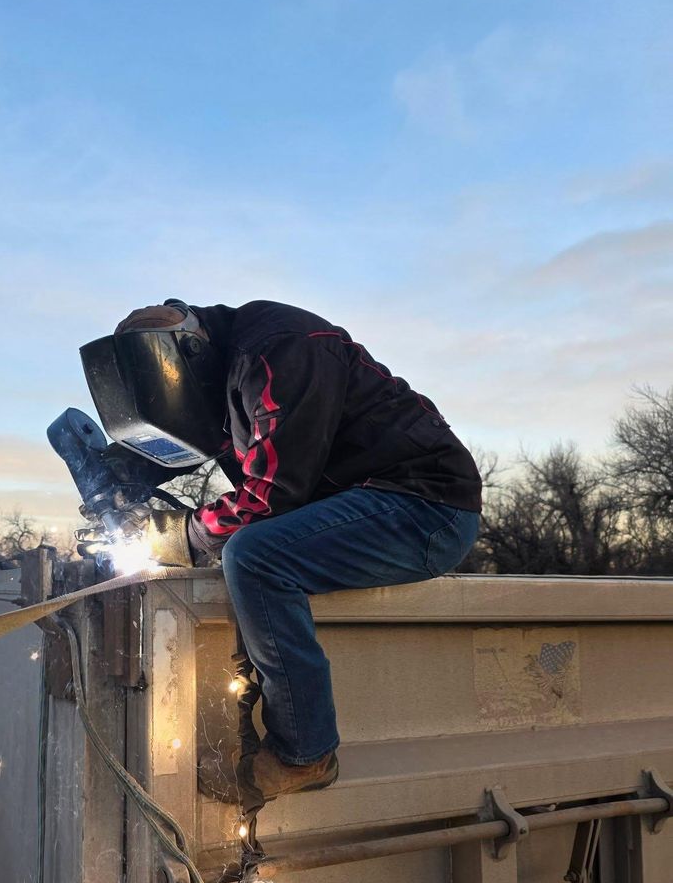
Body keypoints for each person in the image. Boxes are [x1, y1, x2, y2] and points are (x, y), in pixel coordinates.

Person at [79, 299, 482, 816]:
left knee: (254, 555)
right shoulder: (217, 374)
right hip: (359, 503)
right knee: (246, 548)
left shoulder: (277, 352)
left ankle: (305, 754)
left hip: (424, 506)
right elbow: (197, 441)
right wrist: (122, 474)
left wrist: (184, 533)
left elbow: (272, 494)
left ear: (190, 356)